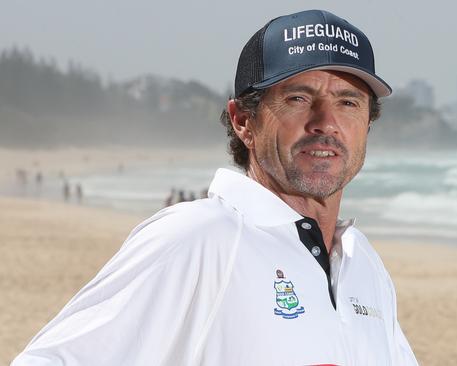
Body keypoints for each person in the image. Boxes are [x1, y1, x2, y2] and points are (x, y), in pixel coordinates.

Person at [12, 9, 418, 365]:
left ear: (367, 123)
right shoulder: (199, 237)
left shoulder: (361, 261)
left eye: (348, 102)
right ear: (243, 120)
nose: (325, 122)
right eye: (297, 98)